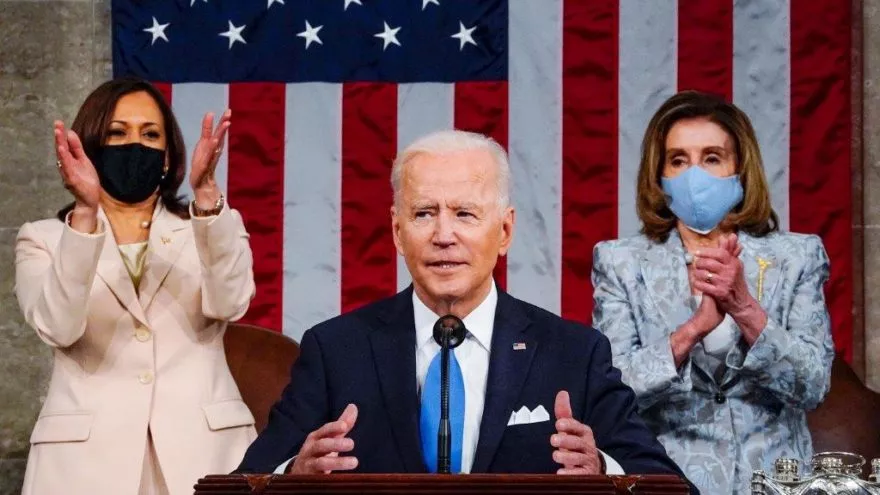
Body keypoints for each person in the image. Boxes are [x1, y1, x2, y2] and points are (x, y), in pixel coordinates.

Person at [236, 130, 694, 492]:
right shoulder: (336, 350)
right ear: (397, 233)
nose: (443, 235)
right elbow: (241, 485)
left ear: (506, 231)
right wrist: (292, 475)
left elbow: (669, 487)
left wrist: (602, 471)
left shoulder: (573, 354)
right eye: (423, 214)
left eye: (465, 214)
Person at [15, 77, 257, 495]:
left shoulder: (212, 222)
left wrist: (205, 195)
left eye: (150, 134)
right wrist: (86, 216)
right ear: (91, 149)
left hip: (202, 456)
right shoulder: (45, 238)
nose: (135, 145)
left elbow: (231, 304)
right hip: (84, 466)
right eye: (117, 133)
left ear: (166, 157)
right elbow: (59, 327)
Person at [591, 90, 834, 494]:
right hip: (668, 483)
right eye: (678, 160)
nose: (694, 176)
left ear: (740, 167)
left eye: (712, 158)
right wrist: (692, 330)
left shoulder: (797, 256)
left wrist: (745, 309)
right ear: (659, 175)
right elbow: (611, 392)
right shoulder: (621, 263)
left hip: (775, 484)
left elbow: (813, 386)